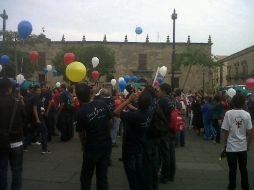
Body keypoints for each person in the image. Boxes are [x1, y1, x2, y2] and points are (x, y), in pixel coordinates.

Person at [76, 83, 113, 190]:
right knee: (102, 175)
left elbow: (81, 134)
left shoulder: (81, 112)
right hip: (106, 144)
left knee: (86, 175)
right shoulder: (102, 104)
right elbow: (110, 124)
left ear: (77, 97)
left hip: (92, 147)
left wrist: (83, 146)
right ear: (90, 93)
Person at [114, 91, 153, 190]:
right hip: (139, 146)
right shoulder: (149, 112)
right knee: (139, 172)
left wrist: (128, 100)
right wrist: (132, 106)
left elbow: (116, 112)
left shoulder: (134, 116)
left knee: (131, 175)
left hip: (130, 148)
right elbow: (139, 111)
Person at [221, 93, 252, 190]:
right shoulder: (247, 114)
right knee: (243, 169)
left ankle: (232, 186)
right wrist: (248, 145)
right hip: (242, 146)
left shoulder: (228, 113)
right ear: (243, 103)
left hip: (231, 147)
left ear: (233, 102)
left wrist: (225, 144)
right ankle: (245, 186)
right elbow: (250, 132)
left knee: (232, 170)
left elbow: (225, 131)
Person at [0, 78, 26, 190]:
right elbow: (25, 118)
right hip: (16, 141)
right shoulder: (17, 101)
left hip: (1, 141)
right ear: (10, 88)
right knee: (16, 170)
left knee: (1, 171)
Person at [157, 83, 176, 183]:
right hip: (172, 129)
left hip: (165, 130)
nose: (158, 92)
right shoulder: (172, 100)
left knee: (165, 154)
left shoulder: (162, 101)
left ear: (163, 91)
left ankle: (164, 175)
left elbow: (157, 115)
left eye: (159, 90)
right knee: (171, 153)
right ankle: (171, 175)